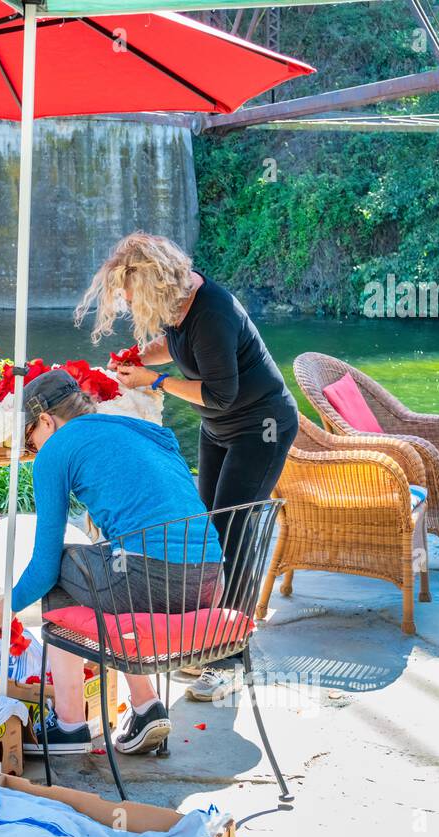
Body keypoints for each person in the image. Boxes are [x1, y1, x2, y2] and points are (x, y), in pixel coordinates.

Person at [76, 232, 298, 701]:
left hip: (259, 428)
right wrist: (135, 358)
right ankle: (206, 638)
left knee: (233, 536)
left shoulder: (211, 312)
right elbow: (174, 348)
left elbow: (221, 393)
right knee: (203, 533)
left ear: (153, 280)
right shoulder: (180, 305)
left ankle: (231, 658)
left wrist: (154, 380)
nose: (130, 301)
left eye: (132, 291)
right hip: (220, 428)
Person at [0, 370, 223, 756]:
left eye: (31, 439)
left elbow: (44, 566)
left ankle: (71, 724)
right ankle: (146, 707)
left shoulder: (58, 449)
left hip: (154, 579)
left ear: (46, 420)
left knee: (60, 569)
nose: (34, 451)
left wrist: (6, 604)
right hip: (212, 580)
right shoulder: (143, 430)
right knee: (96, 572)